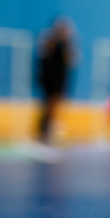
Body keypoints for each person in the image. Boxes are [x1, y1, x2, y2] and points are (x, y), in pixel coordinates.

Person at [35, 16, 76, 145]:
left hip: (60, 81)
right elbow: (44, 61)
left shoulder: (66, 45)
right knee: (49, 107)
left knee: (56, 107)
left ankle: (52, 132)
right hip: (50, 81)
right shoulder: (50, 42)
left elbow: (71, 61)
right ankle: (44, 133)